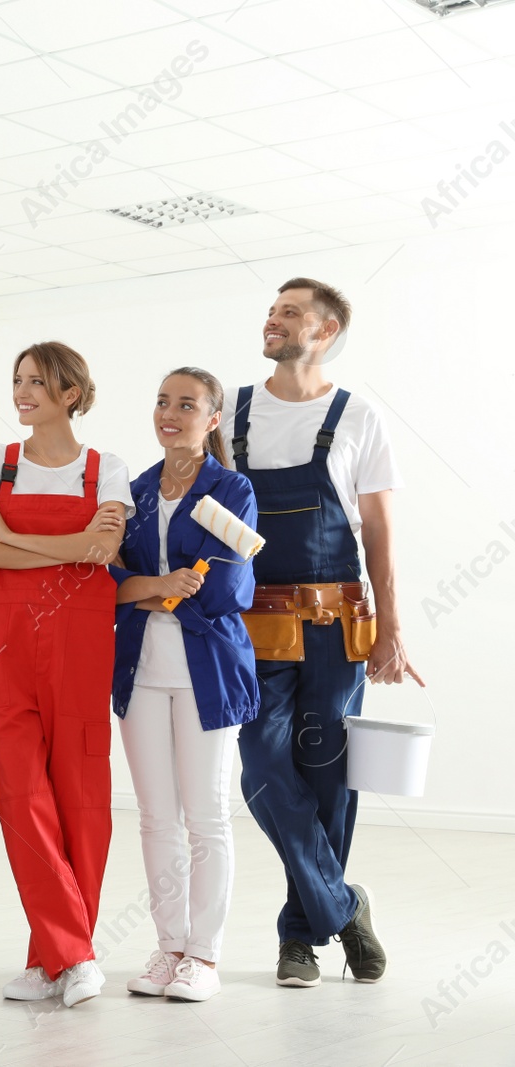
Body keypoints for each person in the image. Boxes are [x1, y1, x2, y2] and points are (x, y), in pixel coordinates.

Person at [227, 278, 422, 987]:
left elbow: (378, 528)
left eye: (290, 312)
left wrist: (392, 625)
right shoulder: (231, 412)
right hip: (252, 626)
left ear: (328, 328)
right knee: (263, 765)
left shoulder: (359, 416)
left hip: (338, 622)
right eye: (271, 309)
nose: (273, 319)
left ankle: (299, 937)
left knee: (329, 778)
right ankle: (343, 906)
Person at [0, 341, 131, 1008]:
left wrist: (14, 536)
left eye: (38, 381)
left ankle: (53, 956)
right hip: (5, 644)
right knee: (19, 794)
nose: (22, 391)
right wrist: (55, 546)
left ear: (71, 393)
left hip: (82, 644)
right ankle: (74, 952)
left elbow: (104, 549)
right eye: (18, 379)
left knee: (81, 799)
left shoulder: (105, 467)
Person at [109, 367, 259, 1003]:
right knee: (155, 819)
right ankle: (169, 946)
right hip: (141, 673)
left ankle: (204, 954)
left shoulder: (232, 488)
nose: (170, 413)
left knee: (206, 817)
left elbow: (228, 588)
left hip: (208, 672)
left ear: (213, 419)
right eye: (163, 401)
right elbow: (110, 585)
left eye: (187, 404)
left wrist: (150, 591)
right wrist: (158, 588)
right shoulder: (135, 490)